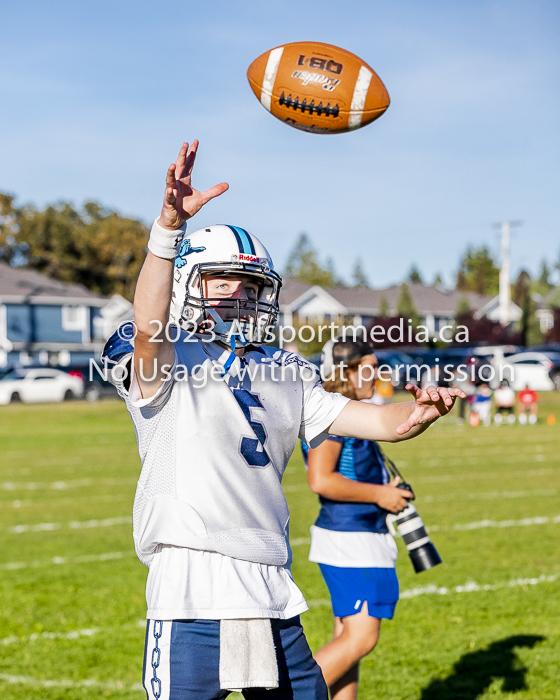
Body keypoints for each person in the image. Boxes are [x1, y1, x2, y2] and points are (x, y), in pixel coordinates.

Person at [102, 141, 465, 700]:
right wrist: (166, 232)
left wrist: (417, 412)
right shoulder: (167, 358)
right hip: (191, 590)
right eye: (221, 283)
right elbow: (148, 325)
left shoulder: (287, 371)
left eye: (250, 287)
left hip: (271, 586)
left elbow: (380, 422)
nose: (238, 297)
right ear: (184, 285)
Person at [302, 339, 410, 700]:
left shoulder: (348, 410)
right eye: (369, 366)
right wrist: (381, 495)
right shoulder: (333, 415)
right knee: (361, 638)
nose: (377, 375)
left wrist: (384, 486)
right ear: (345, 370)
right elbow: (321, 479)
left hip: (355, 534)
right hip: (351, 537)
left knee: (347, 644)